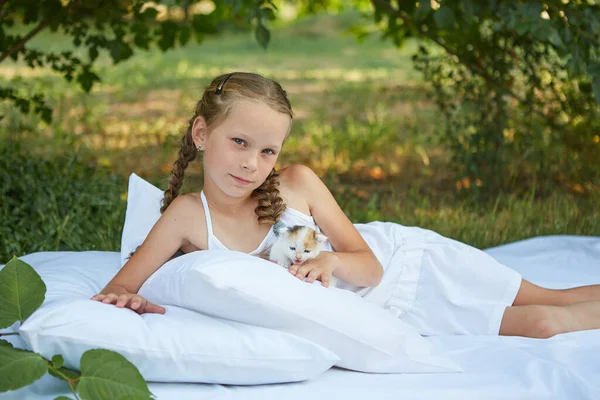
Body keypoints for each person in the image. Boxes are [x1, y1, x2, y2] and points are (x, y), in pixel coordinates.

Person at [92, 71, 600, 339]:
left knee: (551, 301)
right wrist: (128, 300)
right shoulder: (187, 216)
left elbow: (372, 267)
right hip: (380, 316)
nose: (251, 164)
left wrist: (331, 260)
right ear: (202, 133)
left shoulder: (297, 185)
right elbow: (120, 286)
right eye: (239, 142)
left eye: (267, 150)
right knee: (542, 326)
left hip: (411, 267)